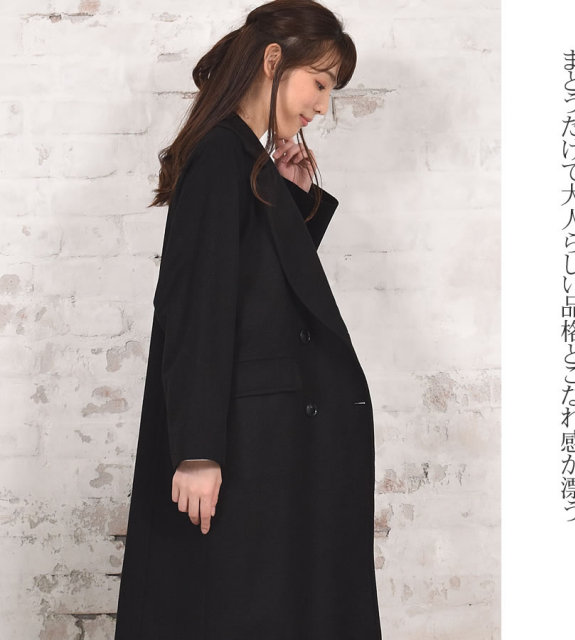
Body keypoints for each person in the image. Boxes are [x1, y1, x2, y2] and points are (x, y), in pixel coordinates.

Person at [114, 1, 383, 638]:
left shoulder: (244, 160)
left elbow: (259, 290)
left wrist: (289, 201)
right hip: (238, 440)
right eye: (319, 82)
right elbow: (197, 308)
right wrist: (197, 452)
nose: (322, 106)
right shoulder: (219, 158)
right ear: (273, 60)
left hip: (260, 436)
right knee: (231, 609)